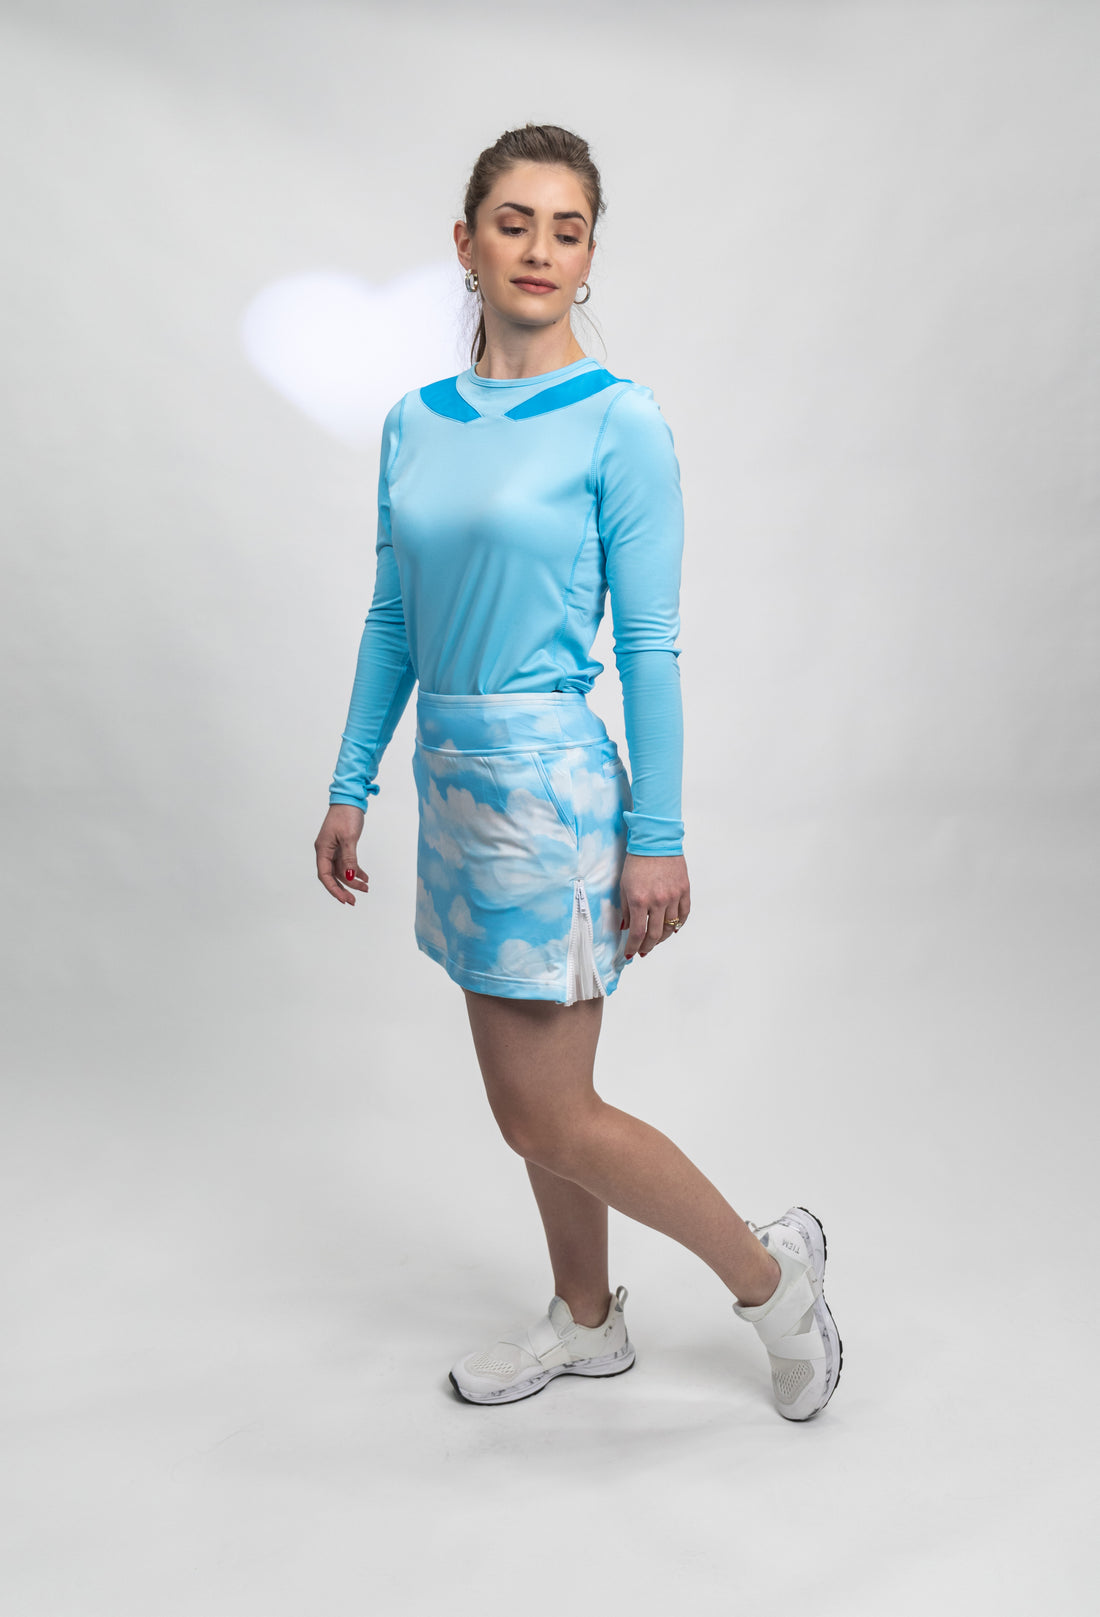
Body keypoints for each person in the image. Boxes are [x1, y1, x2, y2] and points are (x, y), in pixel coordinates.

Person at [313, 123, 842, 1420]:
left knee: (545, 1114)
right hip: (449, 783)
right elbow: (394, 616)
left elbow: (652, 645)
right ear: (466, 242)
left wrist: (658, 832)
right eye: (515, 223)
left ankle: (774, 1283)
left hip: (548, 789)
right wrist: (351, 780)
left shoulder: (620, 422)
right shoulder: (415, 422)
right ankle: (588, 1320)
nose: (540, 249)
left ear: (591, 254)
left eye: (568, 229)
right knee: (535, 1100)